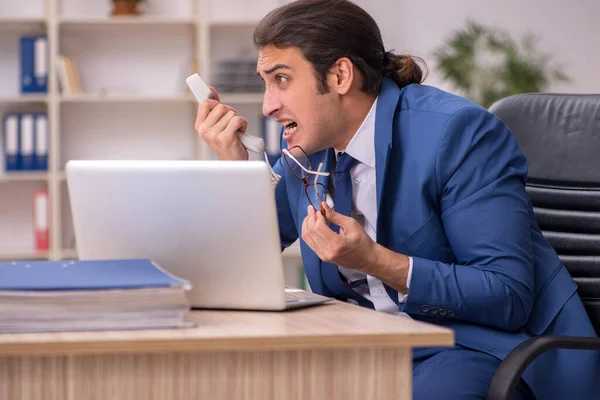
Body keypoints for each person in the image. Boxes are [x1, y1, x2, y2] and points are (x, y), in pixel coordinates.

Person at [193, 0, 600, 398]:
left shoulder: (458, 135)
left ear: (339, 76)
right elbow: (245, 259)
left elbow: (507, 294)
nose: (267, 105)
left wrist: (374, 261)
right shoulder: (308, 152)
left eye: (281, 80)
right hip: (369, 342)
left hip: (477, 345)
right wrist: (234, 167)